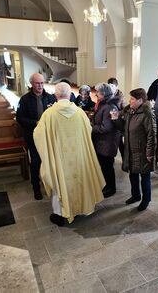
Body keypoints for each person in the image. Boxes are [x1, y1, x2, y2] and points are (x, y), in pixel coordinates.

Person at [33, 82, 104, 225]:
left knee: (59, 182)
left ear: (55, 95)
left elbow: (38, 134)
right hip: (78, 158)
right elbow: (88, 130)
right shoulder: (79, 112)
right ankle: (78, 210)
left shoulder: (49, 114)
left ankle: (60, 215)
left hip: (59, 159)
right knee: (79, 181)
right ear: (70, 94)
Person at [112, 88, 156, 211]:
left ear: (140, 100)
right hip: (130, 149)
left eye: (132, 99)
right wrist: (116, 120)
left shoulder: (147, 113)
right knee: (133, 175)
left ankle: (146, 200)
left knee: (144, 177)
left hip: (142, 151)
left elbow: (151, 134)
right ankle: (135, 195)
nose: (129, 101)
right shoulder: (130, 111)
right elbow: (124, 129)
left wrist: (149, 152)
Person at [16, 73, 56, 200]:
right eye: (37, 83)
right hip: (32, 136)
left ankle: (50, 184)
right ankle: (36, 188)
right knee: (35, 162)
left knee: (49, 162)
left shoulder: (50, 98)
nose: (40, 86)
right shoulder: (25, 99)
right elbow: (20, 118)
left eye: (42, 83)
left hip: (48, 136)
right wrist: (35, 123)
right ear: (31, 84)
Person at [92, 83, 121, 198]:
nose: (96, 94)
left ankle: (111, 188)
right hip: (102, 141)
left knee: (108, 166)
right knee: (104, 165)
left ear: (103, 94)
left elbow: (107, 127)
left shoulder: (110, 106)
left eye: (97, 93)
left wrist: (92, 128)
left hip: (107, 142)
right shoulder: (104, 104)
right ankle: (107, 185)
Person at [108, 77, 126, 157]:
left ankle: (124, 159)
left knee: (119, 142)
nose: (111, 88)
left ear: (116, 87)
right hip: (109, 120)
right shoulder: (107, 94)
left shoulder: (120, 96)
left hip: (117, 121)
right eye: (109, 86)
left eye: (113, 86)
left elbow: (124, 109)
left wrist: (117, 114)